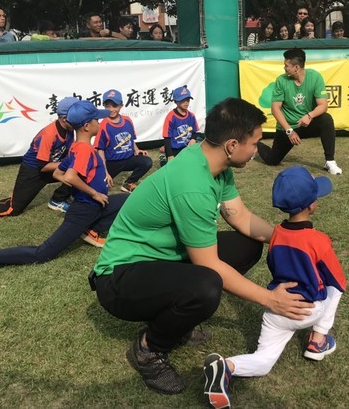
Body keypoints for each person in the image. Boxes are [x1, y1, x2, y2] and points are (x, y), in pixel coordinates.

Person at [90, 98, 315, 395]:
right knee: (207, 285)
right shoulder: (193, 185)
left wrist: (292, 239)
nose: (257, 151)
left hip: (160, 260)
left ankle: (177, 314)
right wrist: (270, 299)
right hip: (119, 277)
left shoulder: (214, 162)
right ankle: (148, 348)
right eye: (255, 143)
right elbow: (208, 264)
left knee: (247, 246)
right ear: (232, 145)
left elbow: (241, 217)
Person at [203, 166, 346, 409]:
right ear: (312, 205)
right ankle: (318, 340)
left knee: (264, 360)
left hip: (276, 309)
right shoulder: (319, 240)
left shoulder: (277, 234)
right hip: (307, 310)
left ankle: (227, 366)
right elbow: (337, 279)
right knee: (337, 289)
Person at [0, 101, 128, 271]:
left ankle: (93, 228)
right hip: (84, 210)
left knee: (130, 199)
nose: (99, 123)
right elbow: (69, 176)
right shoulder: (84, 149)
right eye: (96, 121)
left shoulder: (76, 147)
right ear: (86, 126)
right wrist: (93, 193)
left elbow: (57, 173)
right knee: (42, 254)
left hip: (95, 206)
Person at [0, 97, 79, 217]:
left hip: (52, 166)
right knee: (13, 209)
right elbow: (43, 166)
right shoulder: (49, 134)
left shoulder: (70, 128)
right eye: (78, 115)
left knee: (81, 168)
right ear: (65, 118)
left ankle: (58, 199)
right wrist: (68, 164)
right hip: (34, 170)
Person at [257, 48, 342, 175]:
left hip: (306, 123)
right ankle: (255, 144)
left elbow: (323, 105)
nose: (284, 69)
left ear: (296, 67)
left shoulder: (315, 77)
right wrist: (289, 131)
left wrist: (309, 115)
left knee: (326, 119)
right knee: (272, 160)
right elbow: (275, 109)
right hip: (288, 127)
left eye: (286, 66)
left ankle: (330, 161)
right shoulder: (281, 80)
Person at [93, 89, 152, 193]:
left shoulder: (127, 120)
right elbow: (100, 149)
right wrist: (104, 170)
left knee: (147, 162)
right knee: (99, 187)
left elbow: (130, 139)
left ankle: (129, 183)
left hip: (129, 158)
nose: (111, 109)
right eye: (107, 106)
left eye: (114, 105)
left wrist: (137, 150)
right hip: (112, 163)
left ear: (121, 105)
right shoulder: (103, 125)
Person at [162, 85, 200, 162]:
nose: (186, 102)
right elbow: (167, 138)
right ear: (176, 101)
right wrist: (170, 155)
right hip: (174, 149)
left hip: (187, 147)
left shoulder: (191, 116)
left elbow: (195, 132)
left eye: (188, 100)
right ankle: (162, 158)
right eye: (183, 100)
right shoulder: (171, 116)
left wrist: (193, 139)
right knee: (174, 168)